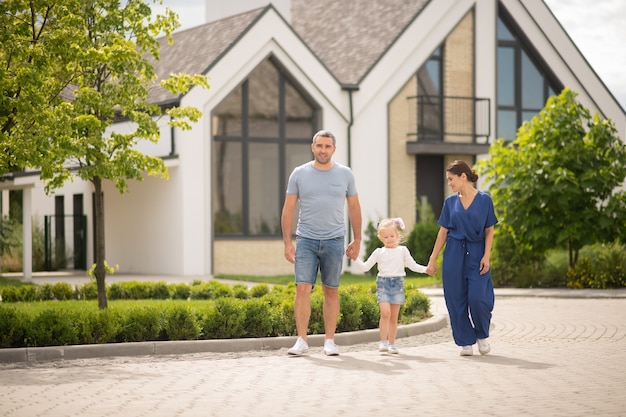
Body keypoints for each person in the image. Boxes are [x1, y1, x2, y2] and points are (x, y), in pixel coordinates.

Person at [281, 129, 362, 356]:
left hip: (335, 240)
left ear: (333, 149)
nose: (323, 150)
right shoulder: (299, 173)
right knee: (302, 288)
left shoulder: (345, 174)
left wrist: (357, 239)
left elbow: (354, 207)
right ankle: (302, 341)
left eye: (327, 146)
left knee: (331, 291)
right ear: (312, 147)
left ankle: (329, 341)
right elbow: (288, 210)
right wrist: (287, 242)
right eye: (319, 146)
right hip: (305, 239)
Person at [426, 160, 498, 356]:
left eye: (451, 179)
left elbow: (489, 230)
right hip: (454, 253)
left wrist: (486, 255)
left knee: (478, 298)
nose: (449, 183)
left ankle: (482, 336)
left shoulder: (484, 200)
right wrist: (433, 259)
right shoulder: (450, 203)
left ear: (463, 176)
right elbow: (443, 233)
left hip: (477, 253)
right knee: (455, 299)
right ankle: (465, 342)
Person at [350, 217, 429, 354]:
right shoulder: (379, 252)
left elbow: (412, 265)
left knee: (393, 317)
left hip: (398, 284)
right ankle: (383, 342)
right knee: (385, 313)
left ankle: (392, 343)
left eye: (392, 236)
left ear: (397, 235)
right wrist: (355, 258)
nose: (390, 239)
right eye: (386, 237)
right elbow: (365, 267)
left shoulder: (403, 250)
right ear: (381, 238)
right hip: (383, 284)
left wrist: (425, 269)